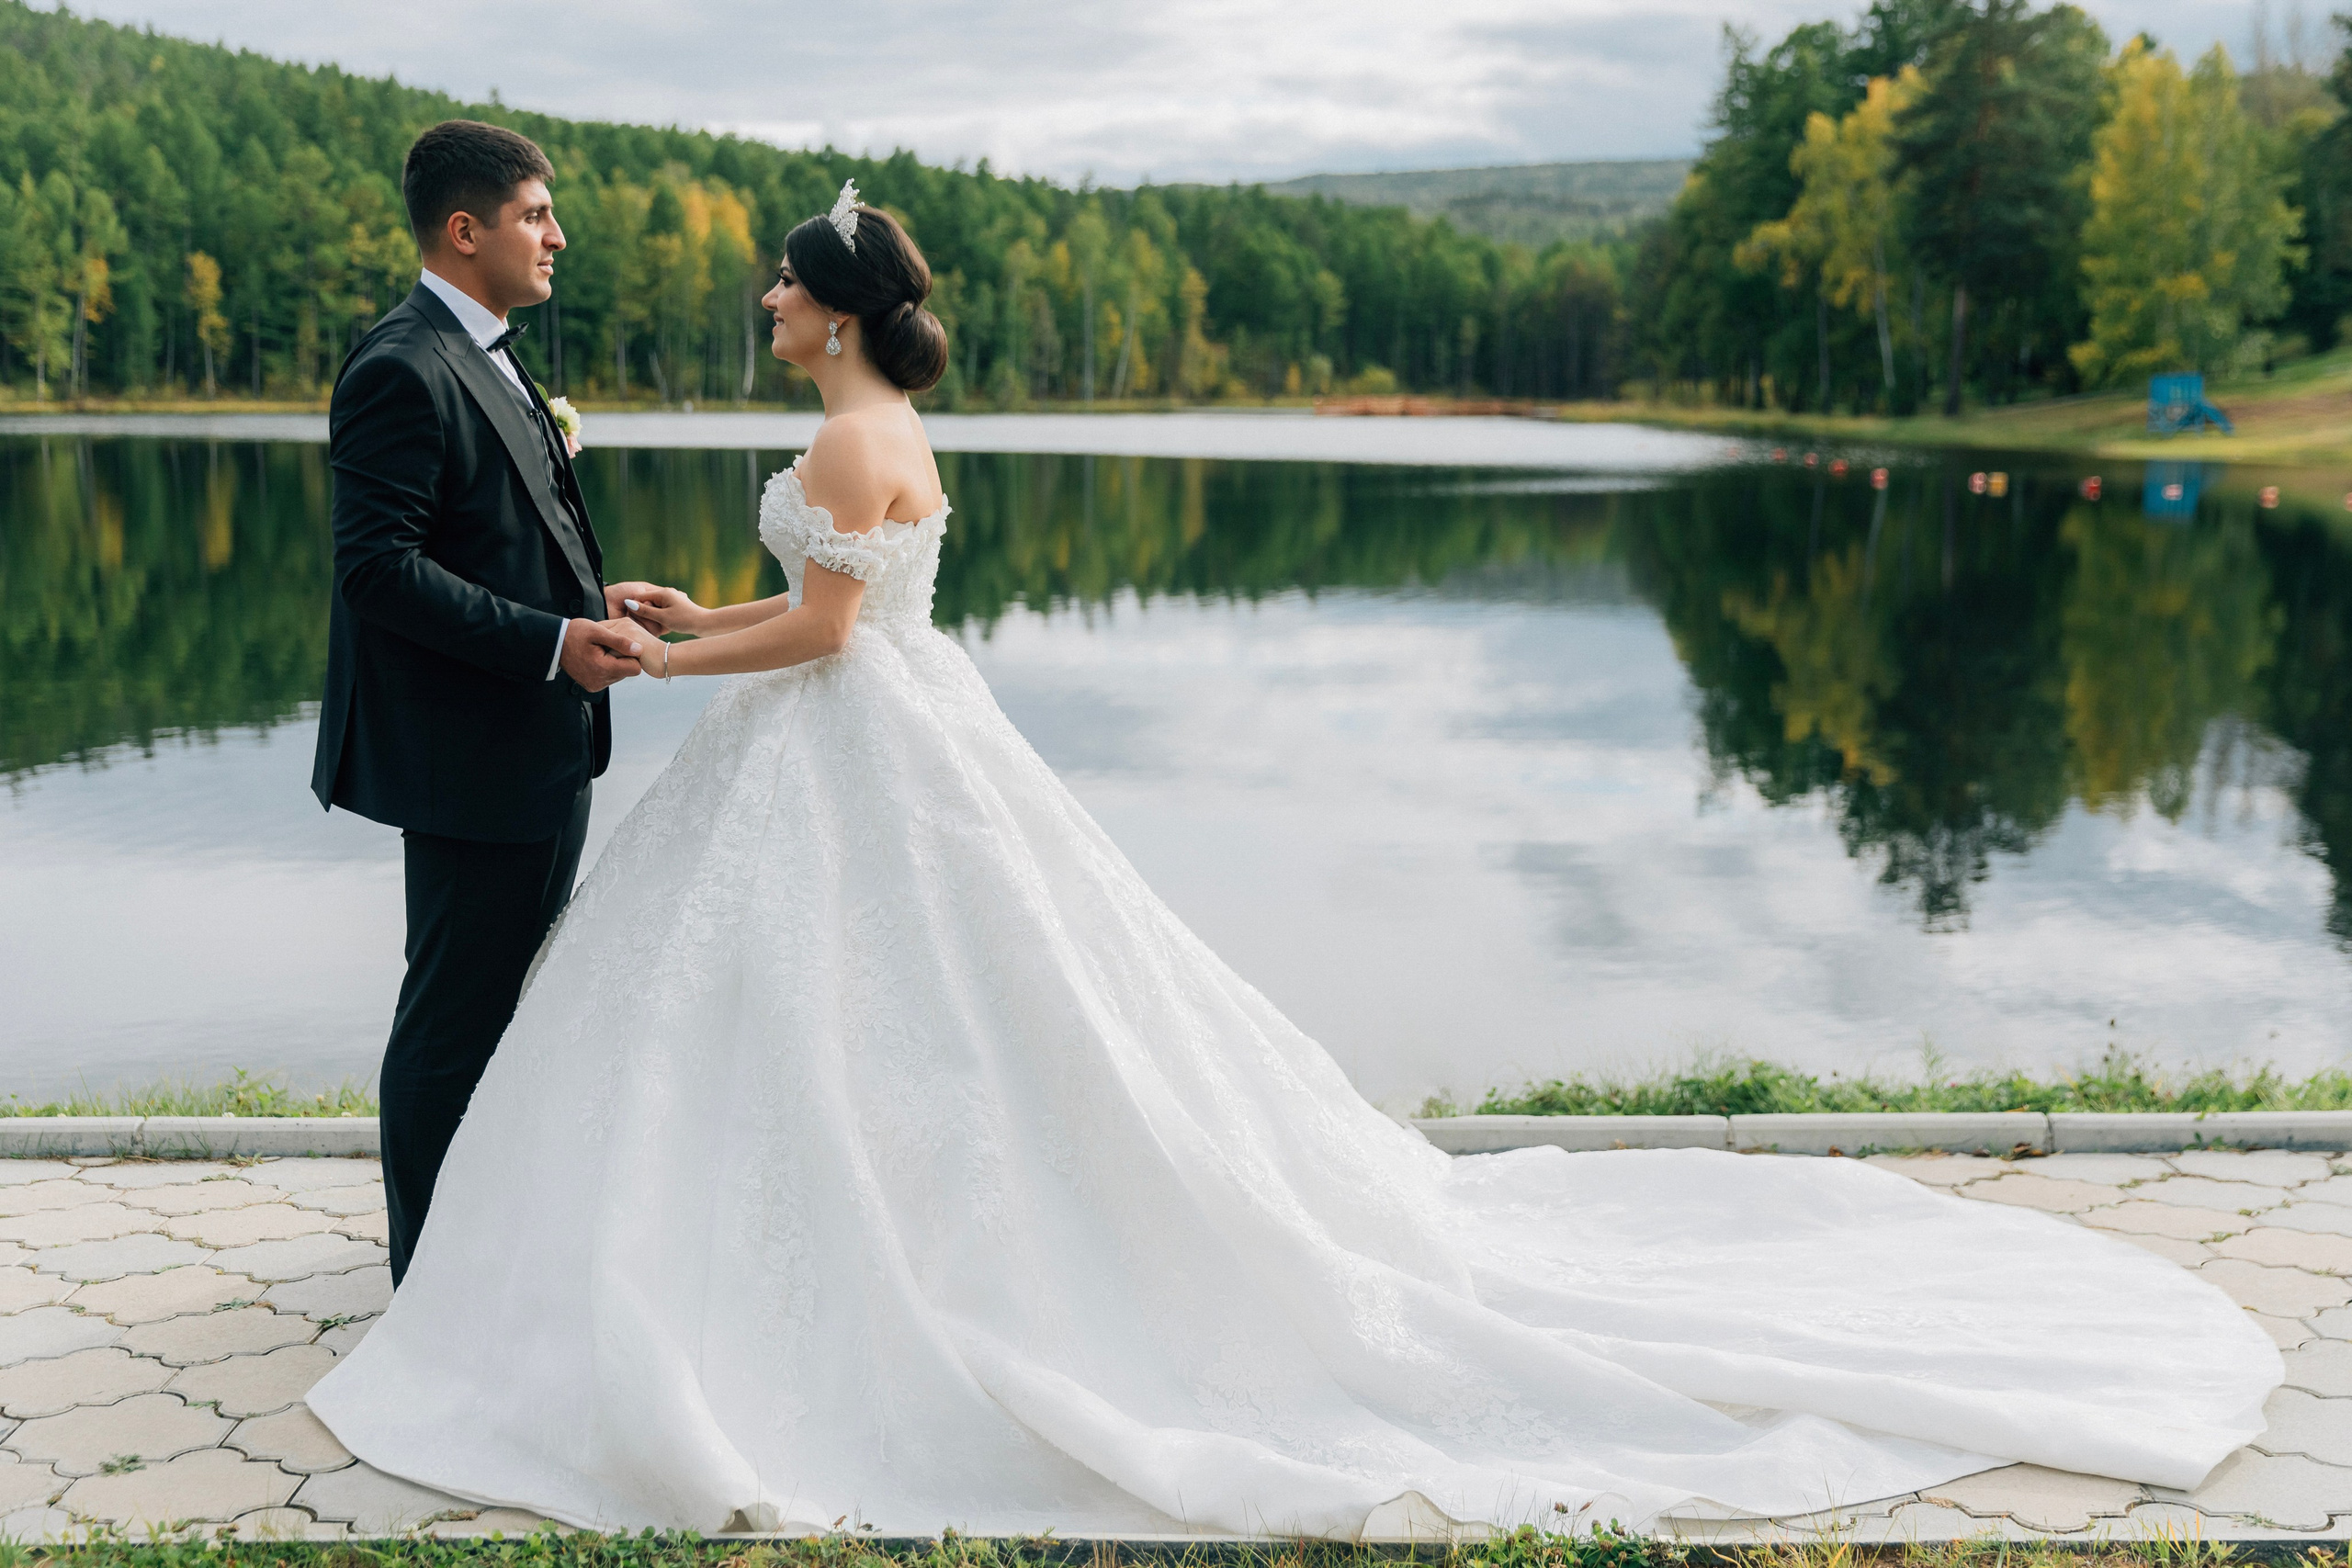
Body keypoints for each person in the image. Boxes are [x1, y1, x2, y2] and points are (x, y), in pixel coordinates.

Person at [305, 184, 2281, 1538]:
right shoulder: (883, 421)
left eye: (775, 286)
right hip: (876, 736)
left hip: (845, 744)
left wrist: (664, 659)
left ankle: (757, 1291)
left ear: (828, 302)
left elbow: (831, 634)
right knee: (899, 1021)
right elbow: (841, 619)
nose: (761, 302)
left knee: (846, 1012)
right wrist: (679, 623)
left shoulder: (845, 441)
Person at [308, 119, 647, 1285]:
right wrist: (554, 643)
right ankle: (426, 1287)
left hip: (537, 748)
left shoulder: (487, 350)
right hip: (472, 762)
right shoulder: (401, 365)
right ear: (465, 231)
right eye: (535, 215)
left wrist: (595, 600)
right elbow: (377, 571)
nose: (558, 236)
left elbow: (492, 532)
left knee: (508, 1009)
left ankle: (484, 1264)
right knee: (452, 1024)